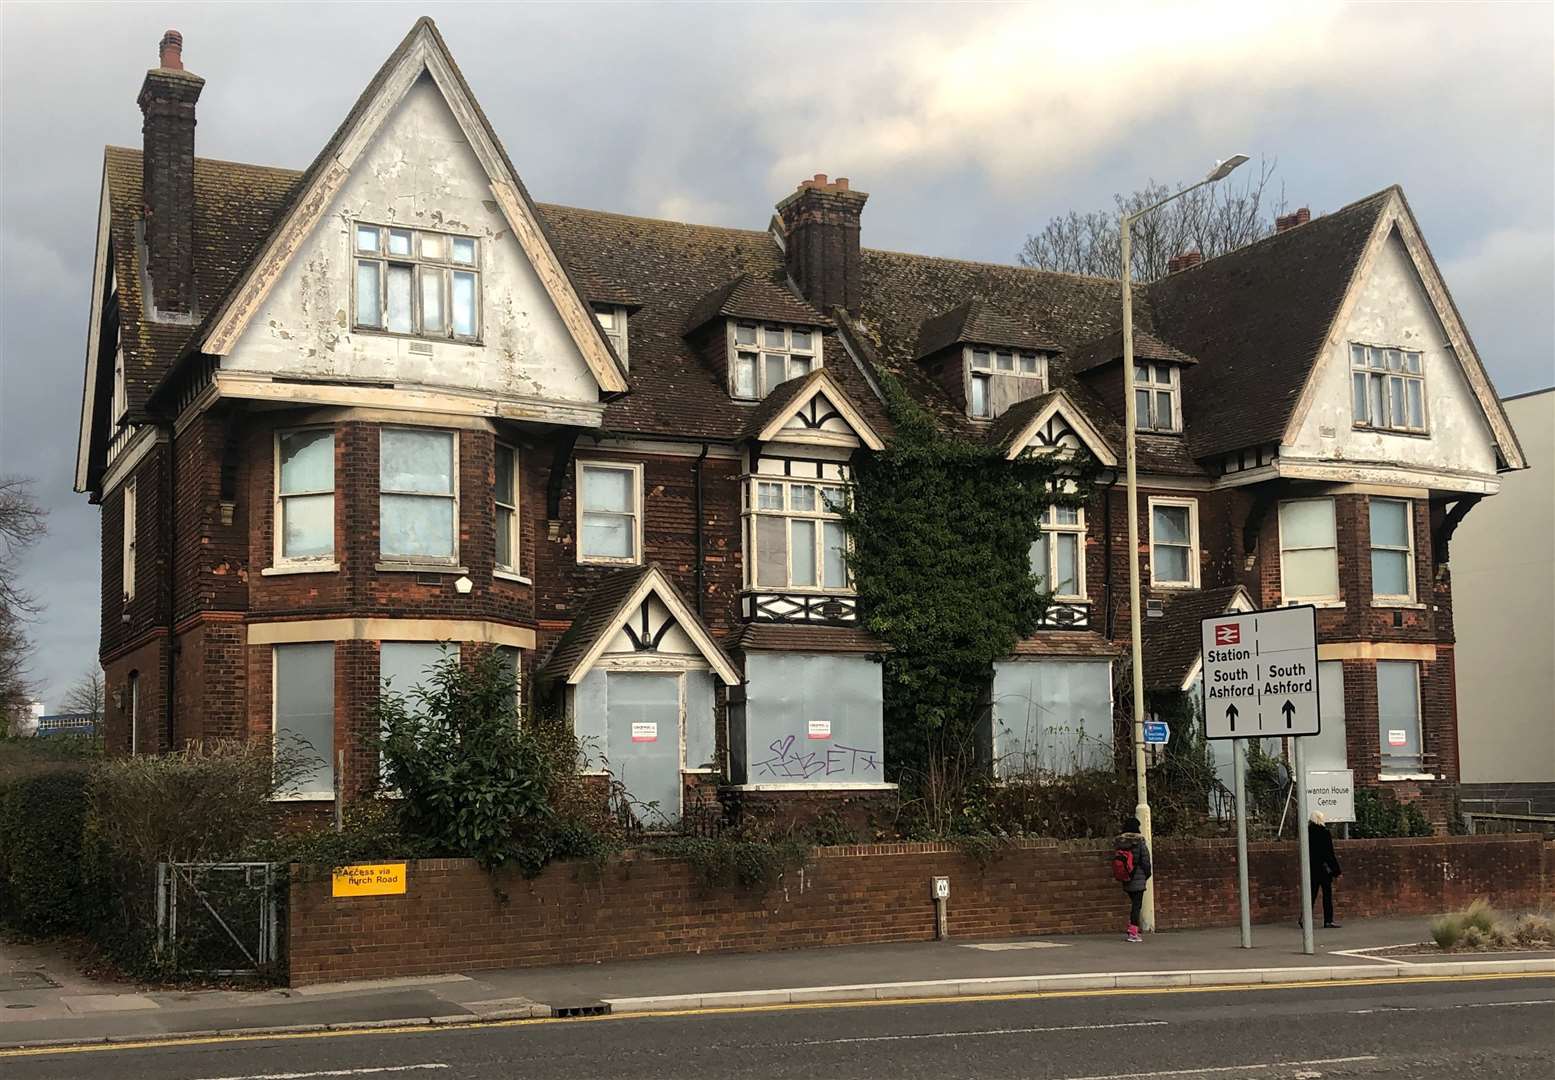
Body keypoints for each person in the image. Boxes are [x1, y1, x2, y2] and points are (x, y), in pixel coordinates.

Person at [1113, 816, 1152, 943]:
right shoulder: (1139, 842)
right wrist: (1147, 874)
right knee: (1137, 905)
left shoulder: (1120, 843)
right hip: (1138, 877)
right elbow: (1145, 860)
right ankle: (1133, 932)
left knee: (1134, 904)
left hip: (1126, 877)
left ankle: (1133, 928)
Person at [1307, 810, 1342, 929]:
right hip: (1324, 869)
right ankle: (1328, 920)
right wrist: (1336, 870)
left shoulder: (1307, 832)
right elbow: (1329, 854)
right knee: (1327, 895)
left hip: (1311, 868)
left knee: (1311, 894)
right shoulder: (1324, 833)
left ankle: (1304, 918)